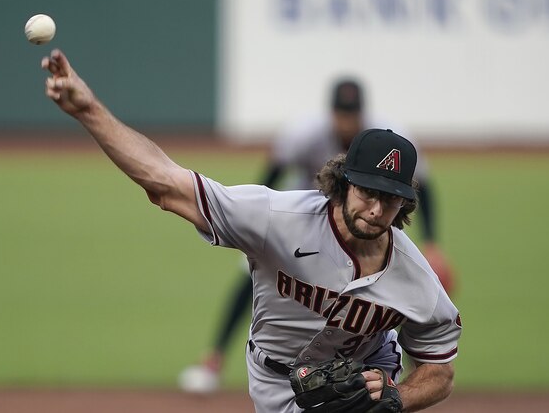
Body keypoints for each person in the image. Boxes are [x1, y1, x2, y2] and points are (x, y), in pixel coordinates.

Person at [41, 49, 462, 412]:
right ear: (345, 181)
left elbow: (440, 370)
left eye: (390, 199)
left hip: (362, 382)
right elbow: (164, 180)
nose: (375, 210)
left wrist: (399, 396)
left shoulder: (415, 279)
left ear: (404, 203)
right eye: (367, 193)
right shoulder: (275, 218)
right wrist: (87, 109)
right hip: (272, 381)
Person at [179, 78, 456, 393]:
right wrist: (256, 229)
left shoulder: (389, 141)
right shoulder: (305, 133)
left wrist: (432, 243)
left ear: (362, 113)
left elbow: (422, 187)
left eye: (351, 113)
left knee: (384, 296)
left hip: (361, 226)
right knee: (248, 279)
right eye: (341, 112)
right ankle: (214, 358)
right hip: (302, 219)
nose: (346, 120)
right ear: (331, 111)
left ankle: (387, 373)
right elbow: (271, 174)